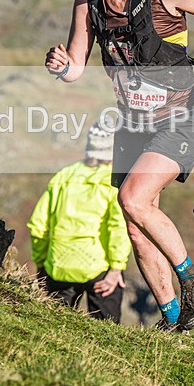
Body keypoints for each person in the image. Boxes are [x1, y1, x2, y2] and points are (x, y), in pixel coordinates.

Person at [44, 0, 194, 331]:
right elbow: (77, 66)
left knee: (132, 197)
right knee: (134, 225)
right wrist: (61, 64)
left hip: (182, 117)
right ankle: (174, 320)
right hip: (133, 123)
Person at [28, 122, 131, 323]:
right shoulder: (115, 181)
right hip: (100, 270)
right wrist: (116, 268)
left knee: (54, 330)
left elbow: (38, 225)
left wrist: (42, 265)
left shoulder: (63, 176)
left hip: (59, 266)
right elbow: (118, 227)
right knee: (106, 333)